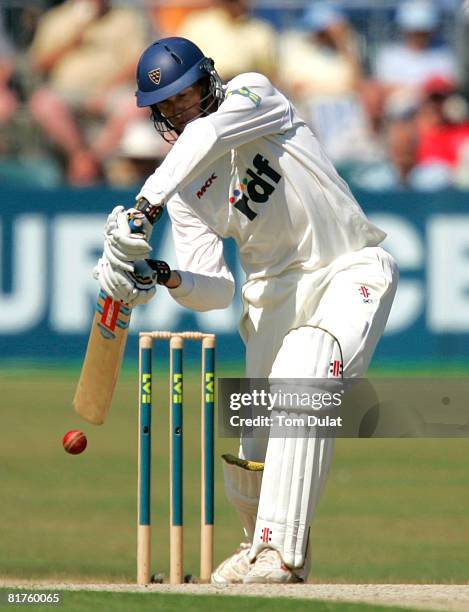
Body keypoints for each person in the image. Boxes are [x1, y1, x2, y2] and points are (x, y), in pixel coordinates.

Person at [94, 37, 398, 583]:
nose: (182, 113)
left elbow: (209, 133)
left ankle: (280, 554)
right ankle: (263, 546)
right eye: (168, 108)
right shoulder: (186, 190)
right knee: (253, 451)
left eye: (187, 97)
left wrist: (143, 207)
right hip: (270, 302)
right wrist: (162, 275)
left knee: (307, 366)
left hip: (348, 268)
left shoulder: (256, 96)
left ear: (208, 81)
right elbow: (213, 291)